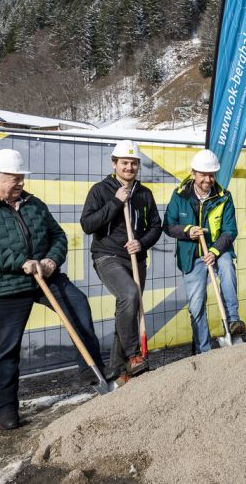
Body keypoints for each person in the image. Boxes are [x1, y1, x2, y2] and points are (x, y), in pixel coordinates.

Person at [0, 149, 106, 430]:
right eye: (15, 178)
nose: (21, 183)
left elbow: (57, 235)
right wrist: (20, 263)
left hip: (46, 277)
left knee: (78, 305)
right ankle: (6, 407)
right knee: (6, 348)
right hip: (4, 286)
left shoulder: (34, 204)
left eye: (22, 177)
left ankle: (92, 372)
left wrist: (50, 260)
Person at [80, 140, 161, 381]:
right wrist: (115, 202)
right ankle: (134, 356)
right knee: (129, 296)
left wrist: (142, 242)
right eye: (124, 162)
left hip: (136, 257)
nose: (129, 167)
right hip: (107, 255)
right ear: (114, 164)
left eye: (133, 163)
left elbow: (156, 226)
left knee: (128, 310)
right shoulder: (100, 190)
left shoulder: (144, 193)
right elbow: (87, 225)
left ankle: (117, 371)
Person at [163, 149, 243, 353]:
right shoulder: (180, 195)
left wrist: (215, 251)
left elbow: (230, 230)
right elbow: (169, 225)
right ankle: (204, 351)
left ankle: (233, 322)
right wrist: (187, 230)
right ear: (193, 173)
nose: (208, 179)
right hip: (192, 256)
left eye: (211, 174)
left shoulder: (224, 197)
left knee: (227, 268)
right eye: (203, 174)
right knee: (196, 306)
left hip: (218, 250)